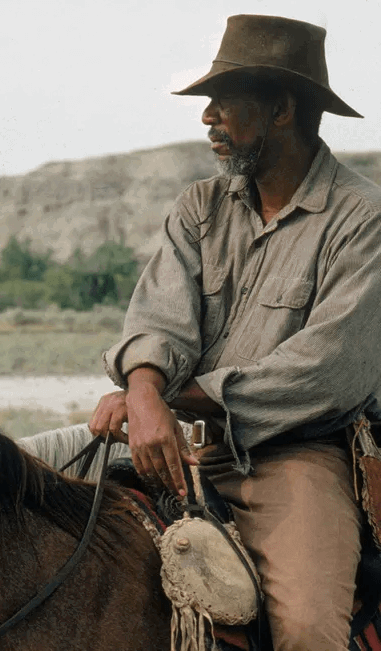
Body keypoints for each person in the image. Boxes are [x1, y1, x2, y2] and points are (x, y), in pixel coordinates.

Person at [88, 14, 381, 650]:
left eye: (224, 102)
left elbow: (327, 371)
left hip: (301, 456)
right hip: (180, 448)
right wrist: (142, 390)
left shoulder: (363, 220)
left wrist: (162, 401)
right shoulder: (200, 207)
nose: (207, 118)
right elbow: (160, 317)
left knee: (307, 630)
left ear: (281, 109)